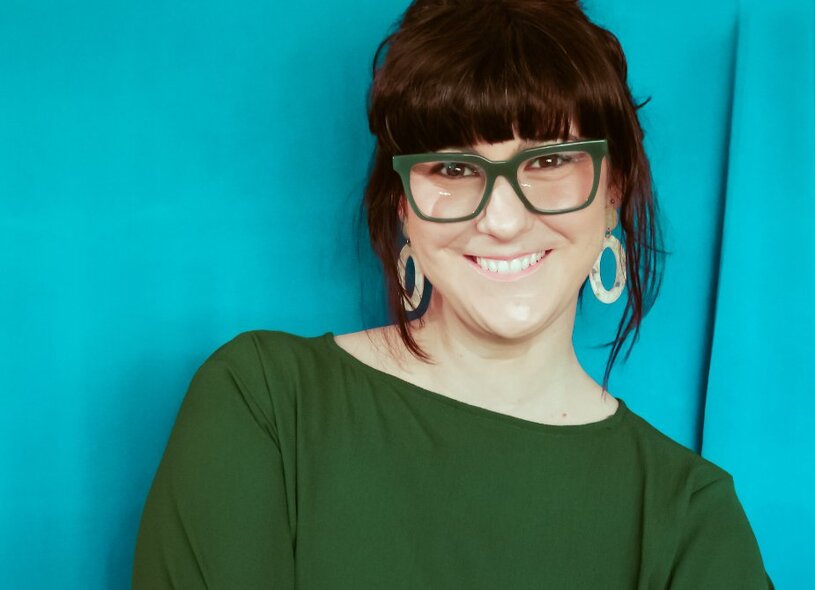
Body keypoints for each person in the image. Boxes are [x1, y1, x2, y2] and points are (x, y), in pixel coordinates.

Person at [131, 0, 775, 588]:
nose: (501, 219)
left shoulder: (690, 515)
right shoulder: (267, 403)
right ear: (402, 205)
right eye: (453, 168)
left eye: (549, 161)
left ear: (613, 189)